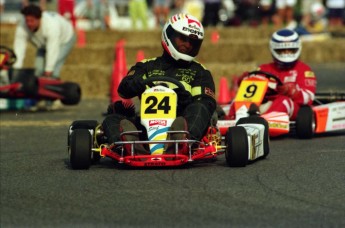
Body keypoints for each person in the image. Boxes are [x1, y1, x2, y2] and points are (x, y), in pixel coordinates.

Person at [102, 14, 216, 154]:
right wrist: (134, 84)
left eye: (192, 42)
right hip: (145, 127)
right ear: (169, 35)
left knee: (199, 108)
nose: (187, 44)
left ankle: (181, 144)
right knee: (112, 119)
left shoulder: (199, 72)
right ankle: (132, 147)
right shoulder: (146, 66)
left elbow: (206, 103)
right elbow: (123, 90)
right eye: (182, 38)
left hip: (181, 122)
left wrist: (186, 101)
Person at [228, 29, 317, 120]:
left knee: (283, 101)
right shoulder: (264, 68)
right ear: (274, 49)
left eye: (290, 50)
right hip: (265, 104)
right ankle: (231, 119)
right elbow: (251, 89)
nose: (286, 53)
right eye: (282, 50)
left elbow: (309, 98)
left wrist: (293, 92)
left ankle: (265, 121)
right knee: (239, 99)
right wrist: (244, 80)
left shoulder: (304, 70)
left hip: (293, 108)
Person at [13, 4, 76, 110]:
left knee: (53, 70)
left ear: (39, 19)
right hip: (42, 44)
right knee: (38, 71)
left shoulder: (51, 26)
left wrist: (48, 69)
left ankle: (55, 100)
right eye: (27, 20)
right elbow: (19, 47)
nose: (29, 24)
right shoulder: (22, 25)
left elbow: (53, 49)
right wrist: (15, 69)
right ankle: (40, 99)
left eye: (32, 21)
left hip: (64, 40)